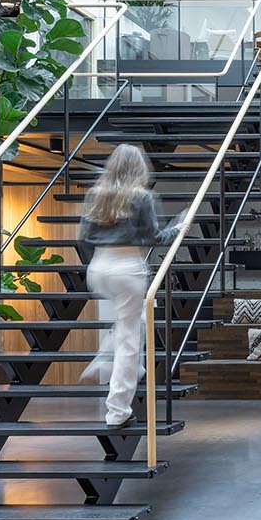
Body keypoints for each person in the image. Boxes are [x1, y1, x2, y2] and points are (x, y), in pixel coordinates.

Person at [79, 144, 185, 426]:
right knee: (130, 339)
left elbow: (83, 238)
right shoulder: (141, 197)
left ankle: (105, 358)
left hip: (99, 267)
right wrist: (179, 227)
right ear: (139, 168)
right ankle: (117, 411)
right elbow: (154, 238)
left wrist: (97, 263)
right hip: (127, 268)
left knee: (132, 321)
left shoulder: (96, 195)